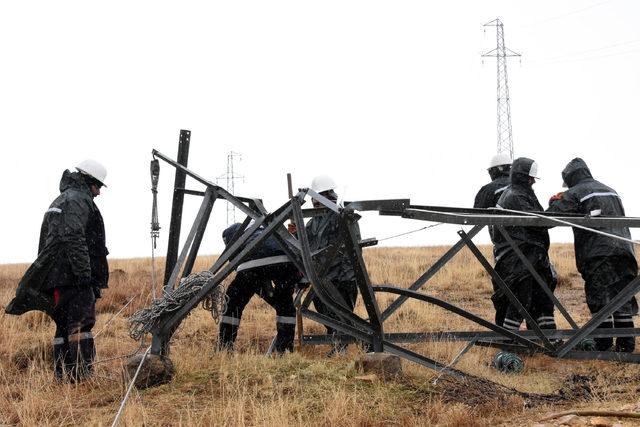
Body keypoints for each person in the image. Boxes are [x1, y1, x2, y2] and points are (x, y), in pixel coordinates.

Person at [6, 160, 109, 381]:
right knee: (81, 324)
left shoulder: (60, 200)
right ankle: (82, 376)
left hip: (55, 277)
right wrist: (84, 274)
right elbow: (74, 237)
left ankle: (63, 375)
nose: (99, 192)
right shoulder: (78, 200)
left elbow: (47, 243)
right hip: (73, 276)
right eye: (98, 186)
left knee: (63, 326)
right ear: (88, 181)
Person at [547, 158, 637, 352]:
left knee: (599, 300)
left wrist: (554, 201)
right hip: (625, 250)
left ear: (570, 178)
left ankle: (602, 345)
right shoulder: (610, 190)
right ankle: (626, 345)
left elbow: (549, 218)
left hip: (599, 253)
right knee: (622, 298)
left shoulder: (575, 193)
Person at [492, 157, 557, 332]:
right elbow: (540, 220)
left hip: (532, 257)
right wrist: (558, 207)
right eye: (531, 177)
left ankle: (549, 337)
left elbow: (539, 217)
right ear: (522, 176)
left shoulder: (522, 193)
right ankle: (511, 339)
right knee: (521, 299)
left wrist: (552, 206)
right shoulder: (515, 195)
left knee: (543, 299)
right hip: (520, 259)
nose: (534, 181)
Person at [218, 222, 300, 354]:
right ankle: (284, 350)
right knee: (285, 306)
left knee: (233, 302)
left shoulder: (235, 235)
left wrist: (256, 284)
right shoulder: (265, 228)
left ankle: (224, 348)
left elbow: (235, 262)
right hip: (286, 262)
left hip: (253, 265)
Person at [305, 175, 362, 356]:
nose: (314, 201)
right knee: (323, 309)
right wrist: (296, 234)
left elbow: (352, 249)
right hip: (322, 277)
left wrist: (346, 275)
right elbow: (304, 247)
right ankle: (339, 344)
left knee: (343, 314)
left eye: (316, 197)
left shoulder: (342, 215)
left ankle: (345, 347)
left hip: (343, 276)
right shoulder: (311, 222)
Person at [474, 154, 513, 325]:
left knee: (504, 292)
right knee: (530, 292)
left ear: (494, 170)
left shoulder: (489, 189)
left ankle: (506, 334)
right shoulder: (525, 189)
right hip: (534, 250)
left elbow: (474, 215)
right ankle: (539, 335)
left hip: (505, 249)